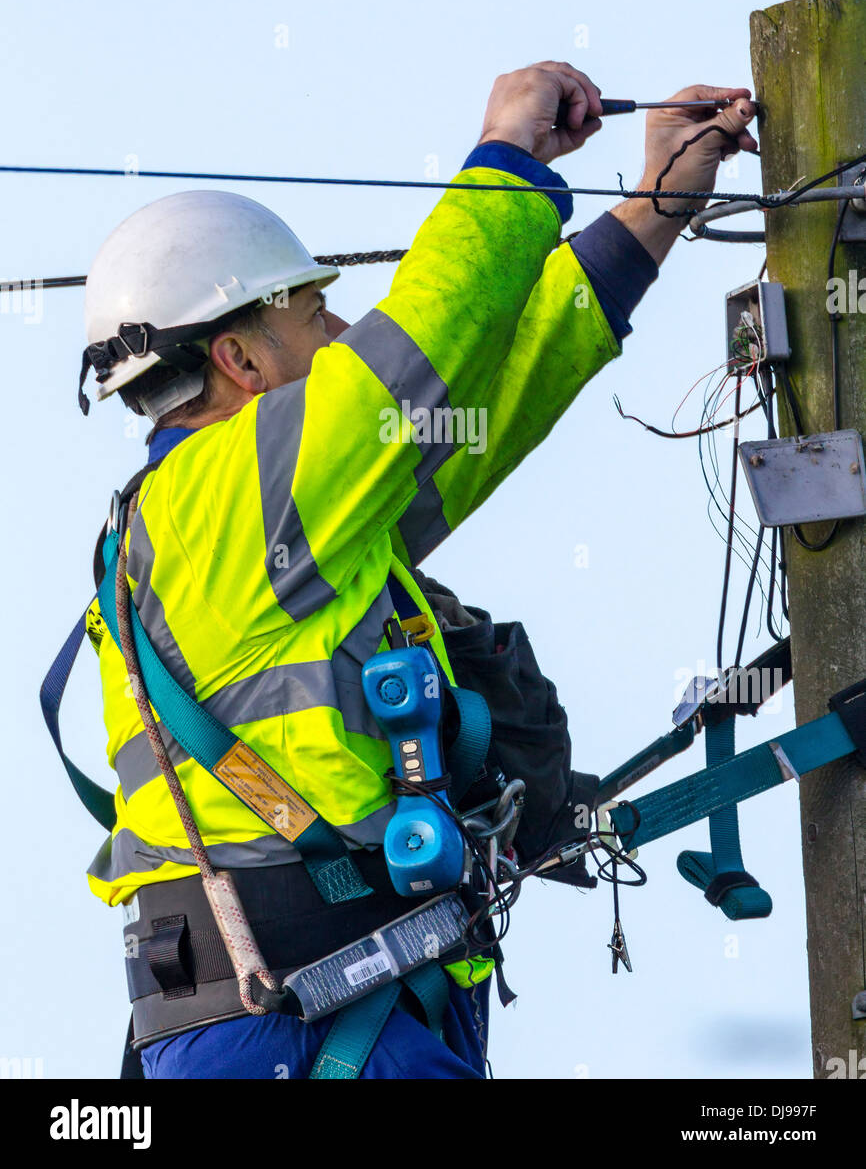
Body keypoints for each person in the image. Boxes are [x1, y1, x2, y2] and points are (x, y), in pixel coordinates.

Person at [75, 62, 757, 1078]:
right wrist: (506, 160)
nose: (344, 336)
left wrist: (652, 206)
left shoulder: (273, 522)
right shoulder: (238, 486)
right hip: (303, 1025)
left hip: (309, 1018)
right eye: (315, 320)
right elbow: (420, 349)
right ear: (240, 361)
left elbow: (494, 391)